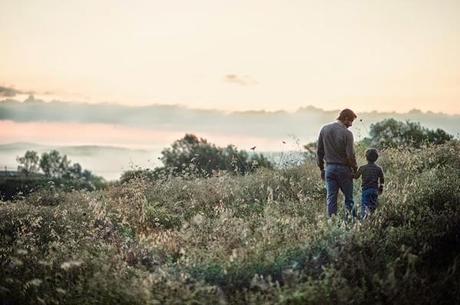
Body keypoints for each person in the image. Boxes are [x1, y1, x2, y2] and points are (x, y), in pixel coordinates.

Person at [317, 108, 358, 218]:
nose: (351, 125)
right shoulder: (347, 133)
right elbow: (350, 155)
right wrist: (355, 169)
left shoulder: (324, 129)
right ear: (345, 119)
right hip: (343, 169)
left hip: (329, 169)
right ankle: (351, 222)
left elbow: (319, 151)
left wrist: (322, 169)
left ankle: (332, 223)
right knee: (349, 199)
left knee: (331, 199)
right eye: (351, 121)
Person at [354, 148, 385, 219]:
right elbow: (382, 179)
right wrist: (381, 188)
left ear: (366, 158)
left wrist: (351, 172)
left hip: (366, 191)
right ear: (376, 158)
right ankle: (373, 221)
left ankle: (364, 224)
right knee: (373, 207)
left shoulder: (362, 168)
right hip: (375, 191)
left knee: (365, 208)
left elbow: (356, 177)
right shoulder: (379, 168)